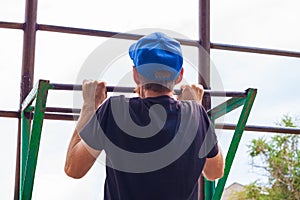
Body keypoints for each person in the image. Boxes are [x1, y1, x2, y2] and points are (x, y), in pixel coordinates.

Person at [64, 32, 224, 200]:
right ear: (179, 75)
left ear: (135, 74)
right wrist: (194, 107)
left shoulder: (115, 110)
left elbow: (74, 168)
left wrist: (90, 105)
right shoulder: (195, 115)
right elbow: (214, 172)